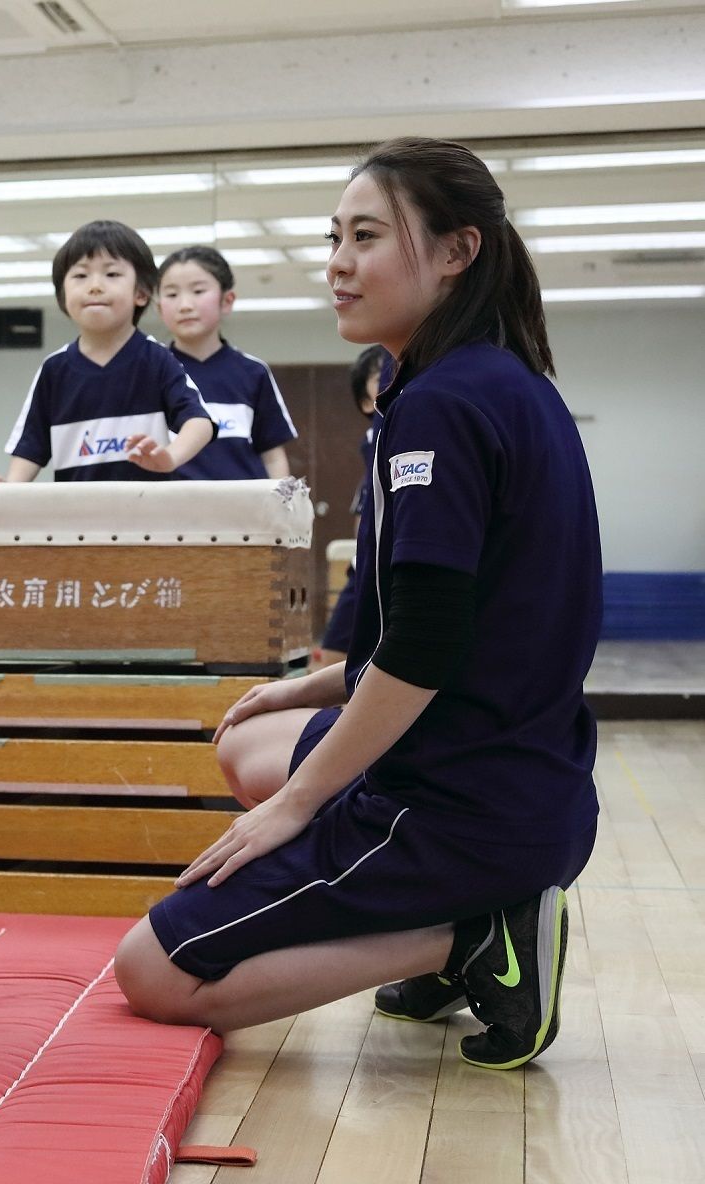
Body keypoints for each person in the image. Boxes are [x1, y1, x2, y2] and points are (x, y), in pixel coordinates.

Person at [113, 136, 602, 1071]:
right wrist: (311, 686)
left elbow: (424, 645)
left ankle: (473, 936)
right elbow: (475, 620)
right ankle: (447, 923)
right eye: (334, 235)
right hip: (524, 774)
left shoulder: (442, 407)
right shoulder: (492, 382)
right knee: (245, 739)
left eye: (366, 236)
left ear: (458, 252)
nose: (337, 262)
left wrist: (298, 804)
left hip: (457, 799)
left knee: (154, 973)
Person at [0, 220, 216, 482]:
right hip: (77, 517)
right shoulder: (54, 370)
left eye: (112, 274)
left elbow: (199, 423)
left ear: (142, 293)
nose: (95, 286)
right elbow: (30, 448)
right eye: (80, 275)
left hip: (148, 517)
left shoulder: (157, 359)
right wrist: (10, 491)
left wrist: (169, 457)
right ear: (63, 294)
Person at [156, 246, 297, 481]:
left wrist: (279, 511)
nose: (185, 305)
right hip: (170, 511)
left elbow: (272, 455)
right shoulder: (149, 371)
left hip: (243, 512)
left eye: (198, 290)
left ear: (227, 300)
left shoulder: (253, 372)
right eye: (172, 294)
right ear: (159, 308)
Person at [315, 344, 387, 667]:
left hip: (385, 565)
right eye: (380, 375)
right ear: (365, 400)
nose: (390, 378)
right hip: (363, 567)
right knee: (333, 654)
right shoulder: (373, 437)